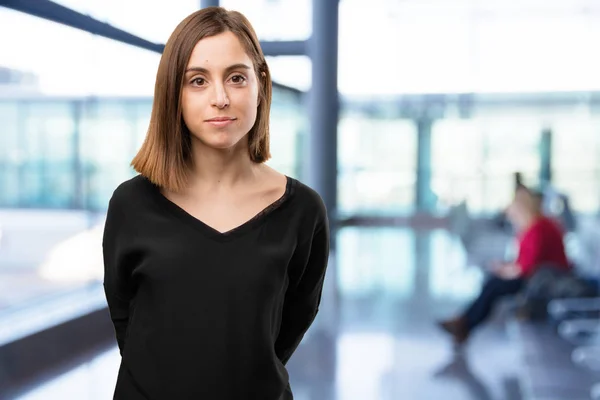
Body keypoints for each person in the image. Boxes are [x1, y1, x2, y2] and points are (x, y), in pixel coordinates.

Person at [102, 7, 330, 399]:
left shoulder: (302, 210)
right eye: (198, 81)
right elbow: (126, 319)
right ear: (174, 92)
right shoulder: (131, 203)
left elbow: (292, 323)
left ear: (260, 83)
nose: (220, 98)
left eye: (236, 78)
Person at [438, 186, 569, 345]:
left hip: (546, 280)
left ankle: (464, 323)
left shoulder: (539, 228)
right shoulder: (534, 226)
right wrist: (505, 268)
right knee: (493, 282)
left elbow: (527, 268)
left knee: (494, 285)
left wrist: (505, 270)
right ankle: (464, 322)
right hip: (539, 276)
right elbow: (525, 261)